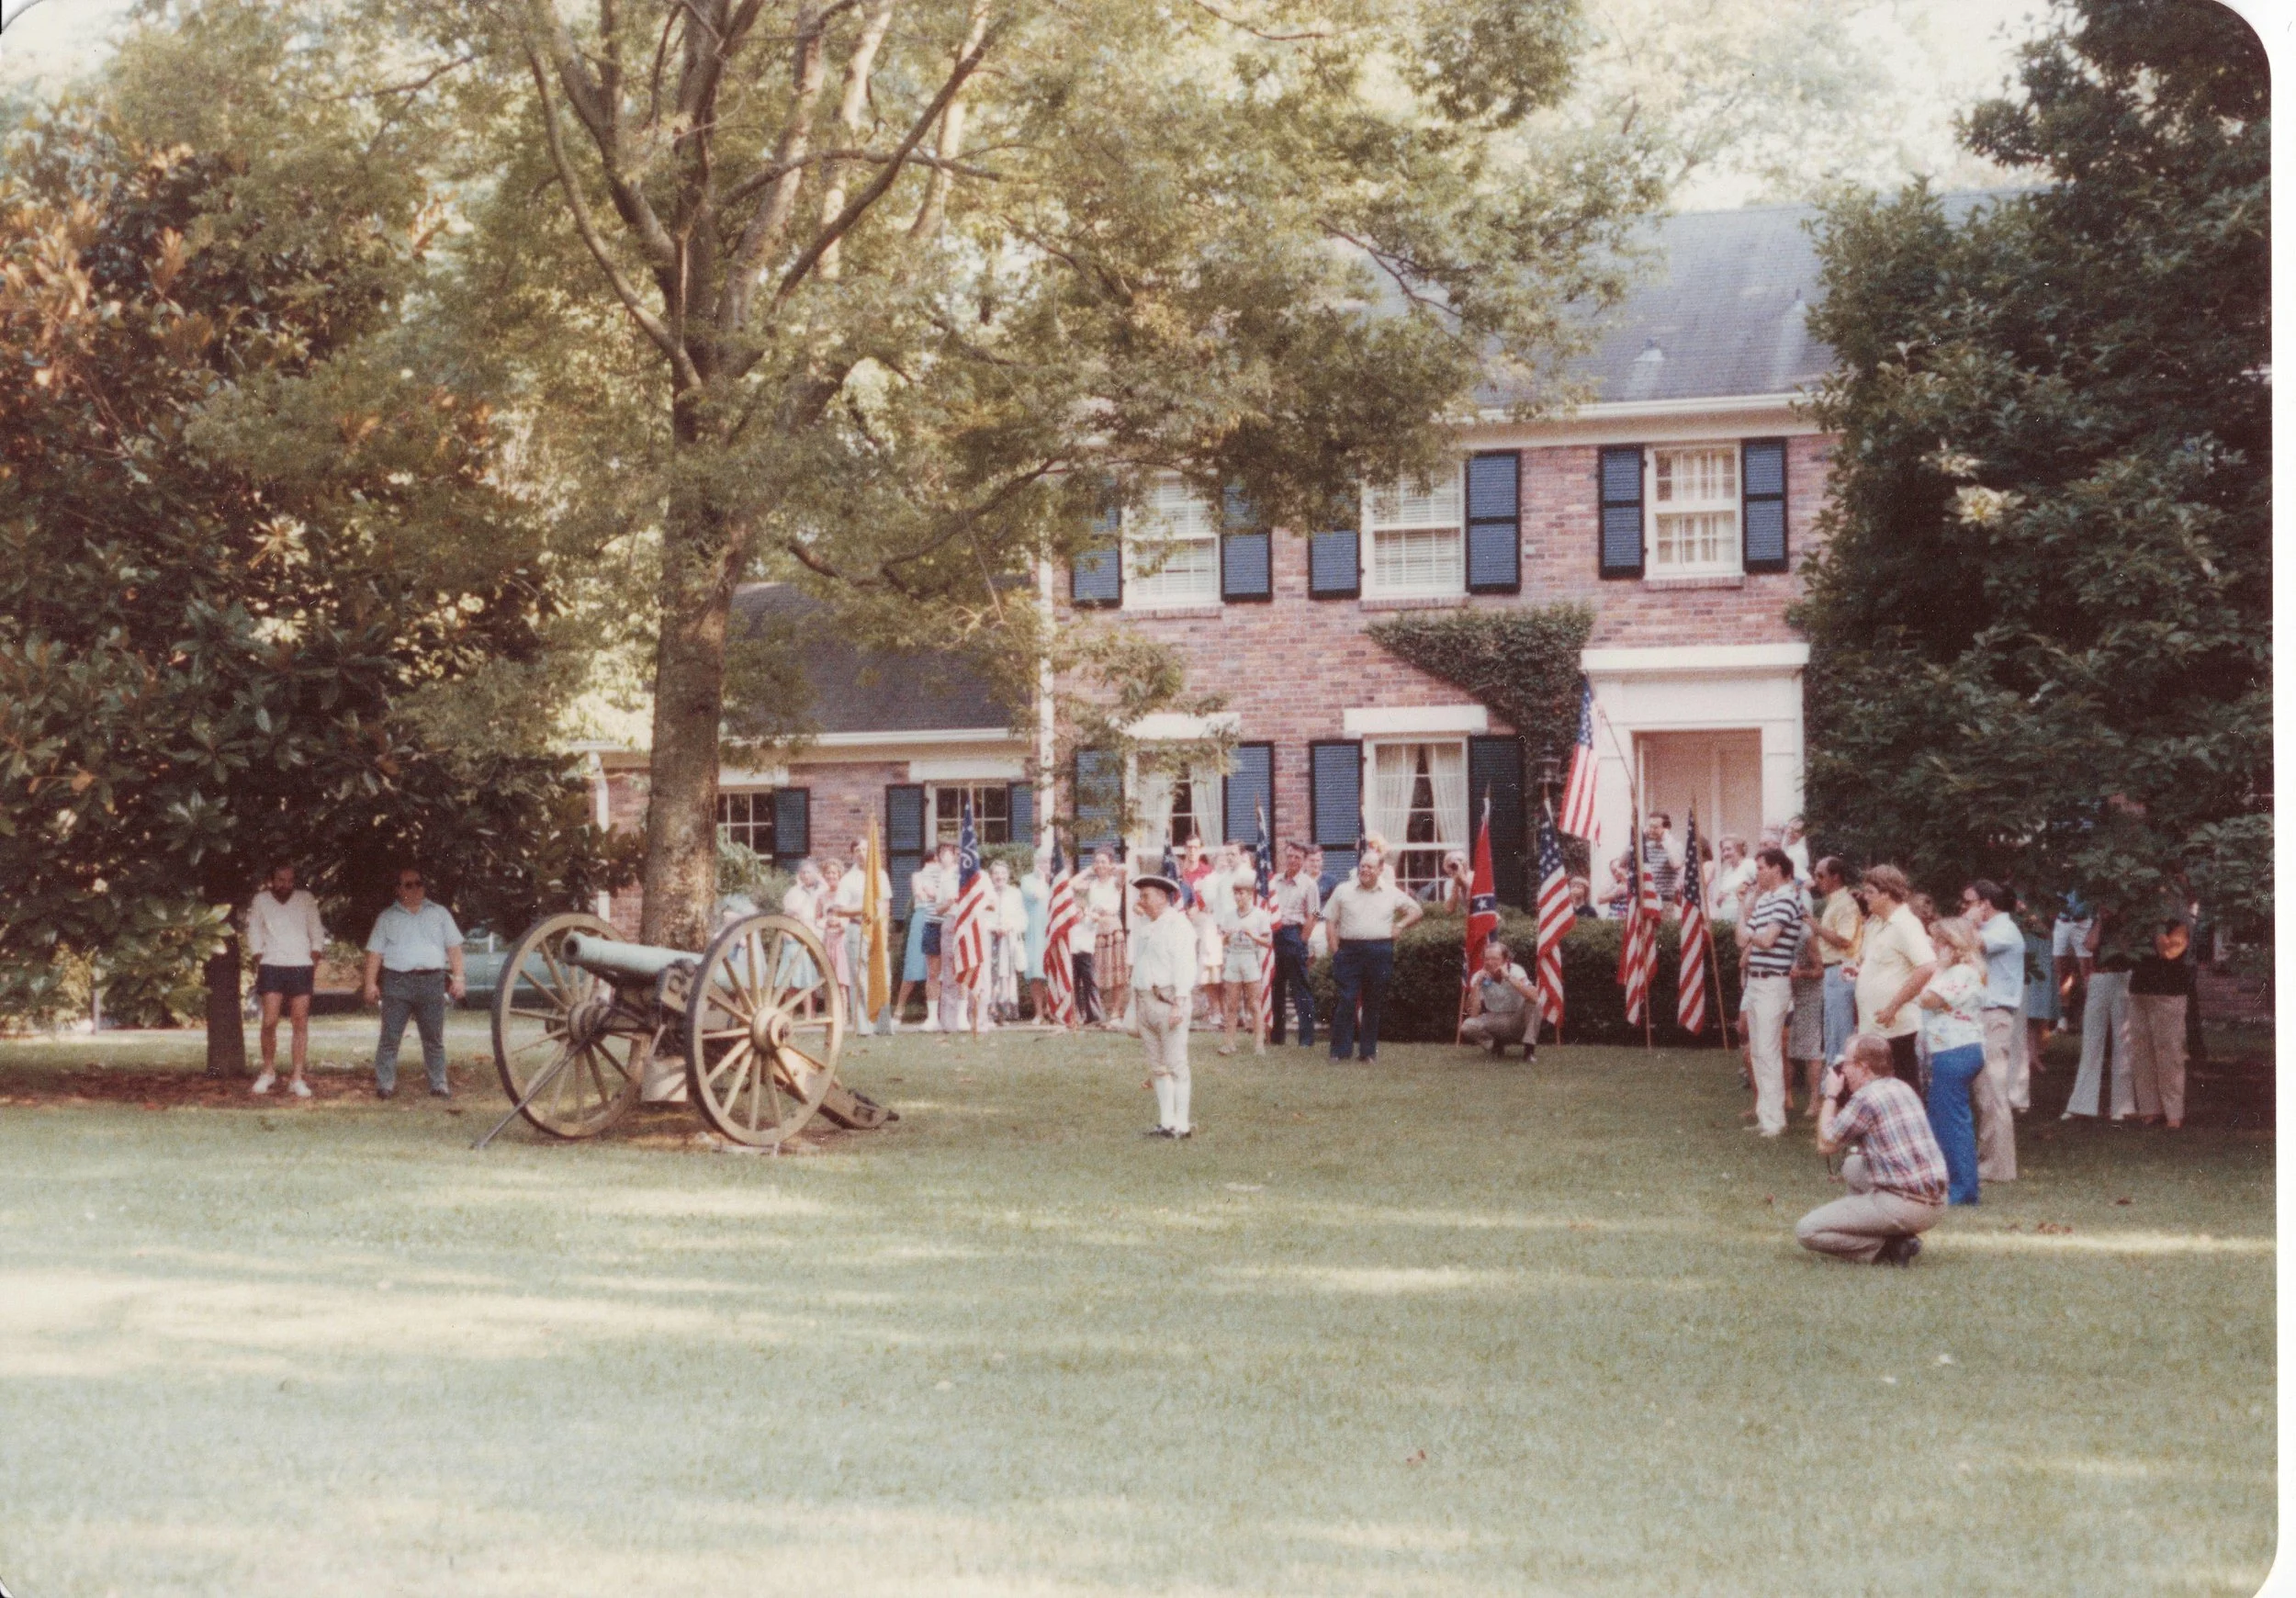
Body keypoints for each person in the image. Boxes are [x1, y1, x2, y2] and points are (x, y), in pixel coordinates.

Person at [1795, 1034, 1949, 1266]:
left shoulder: (1866, 1099)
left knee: (1806, 1230)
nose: (1842, 1069)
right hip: (1937, 1201)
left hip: (1905, 1204)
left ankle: (1887, 1246)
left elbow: (1825, 1144)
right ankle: (1881, 1230)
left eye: (1846, 1063)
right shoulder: (1901, 1087)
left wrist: (1831, 1095)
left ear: (1863, 1067)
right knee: (1852, 1165)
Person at [361, 866, 466, 1099]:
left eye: (419, 883)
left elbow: (454, 948)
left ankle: (439, 1085)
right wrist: (370, 984)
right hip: (397, 982)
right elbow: (375, 954)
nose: (416, 888)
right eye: (409, 884)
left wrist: (459, 978)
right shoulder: (386, 918)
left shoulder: (440, 914)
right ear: (398, 889)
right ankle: (385, 1085)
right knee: (390, 1037)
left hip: (432, 982)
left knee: (434, 1039)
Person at [1322, 847, 1423, 1063]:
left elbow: (1417, 910)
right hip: (1349, 951)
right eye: (1362, 866)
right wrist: (1335, 950)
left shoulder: (1391, 892)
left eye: (1369, 866)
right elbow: (1330, 920)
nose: (1365, 870)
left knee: (1372, 1002)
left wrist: (1400, 925)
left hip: (1379, 951)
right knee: (1347, 999)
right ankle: (1339, 1051)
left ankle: (1367, 1052)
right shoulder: (1343, 890)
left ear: (1380, 869)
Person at [1918, 917, 1991, 1205]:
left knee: (1953, 1121)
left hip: (1956, 1050)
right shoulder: (1962, 971)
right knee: (1942, 1117)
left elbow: (1928, 999)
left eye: (1937, 941)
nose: (1933, 946)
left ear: (1951, 944)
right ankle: (1950, 1182)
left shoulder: (1960, 972)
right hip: (1950, 1049)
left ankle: (1963, 1190)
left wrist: (1938, 968)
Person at [245, 861, 328, 1098]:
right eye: (281, 880)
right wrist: (260, 956)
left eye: (290, 880)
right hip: (271, 966)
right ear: (271, 879)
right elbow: (254, 931)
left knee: (299, 1022)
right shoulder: (261, 900)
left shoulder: (305, 898)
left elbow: (316, 932)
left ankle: (297, 1078)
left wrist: (312, 958)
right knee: (269, 1021)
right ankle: (268, 1071)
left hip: (301, 966)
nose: (286, 885)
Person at [1734, 847, 1801, 1136]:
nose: (1757, 873)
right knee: (1759, 1051)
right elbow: (1742, 939)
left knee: (1769, 1050)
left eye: (1761, 867)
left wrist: (1751, 935)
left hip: (1774, 982)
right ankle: (1766, 1116)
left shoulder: (1787, 899)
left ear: (1777, 868)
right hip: (1756, 982)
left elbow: (1768, 940)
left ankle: (1775, 1120)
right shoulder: (1764, 902)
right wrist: (1742, 907)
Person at [1849, 865, 1937, 1086]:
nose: (1864, 897)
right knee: (1877, 1085)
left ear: (1886, 894)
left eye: (1870, 892)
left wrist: (1893, 1006)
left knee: (1901, 1085)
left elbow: (1927, 967)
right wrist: (1858, 972)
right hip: (1873, 1024)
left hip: (1894, 1026)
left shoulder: (1906, 925)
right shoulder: (1876, 923)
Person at [1129, 872, 1199, 1138]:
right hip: (1145, 1000)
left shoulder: (1178, 926)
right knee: (1157, 1065)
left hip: (1168, 1001)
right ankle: (1166, 1122)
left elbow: (1186, 966)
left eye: (1145, 896)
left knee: (1176, 1063)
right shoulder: (1148, 926)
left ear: (1161, 897)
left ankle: (1182, 1125)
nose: (1141, 901)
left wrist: (1179, 1003)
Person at [1964, 881, 2023, 1179]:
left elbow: (1966, 942)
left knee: (1993, 1091)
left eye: (1970, 902)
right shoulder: (1990, 930)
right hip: (1981, 1016)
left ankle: (1997, 1167)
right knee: (1984, 1093)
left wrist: (1968, 922)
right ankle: (1987, 1161)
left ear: (1985, 904)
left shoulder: (2004, 931)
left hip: (1994, 1016)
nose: (1965, 909)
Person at [2064, 906, 2136, 1120]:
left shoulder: (2130, 922)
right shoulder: (2099, 921)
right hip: (2100, 978)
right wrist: (2101, 920)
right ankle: (2081, 1104)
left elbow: (2126, 949)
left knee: (2123, 1043)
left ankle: (2122, 1107)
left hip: (2123, 978)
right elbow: (2090, 944)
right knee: (2091, 1041)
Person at [2127, 902, 2194, 1129]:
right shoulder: (2138, 920)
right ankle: (2149, 1110)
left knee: (2169, 1053)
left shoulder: (2180, 925)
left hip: (2168, 992)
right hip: (2140, 990)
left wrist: (2156, 929)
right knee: (2141, 1052)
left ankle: (2173, 1113)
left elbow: (2168, 952)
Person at [1808, 857, 1862, 1069]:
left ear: (1835, 877)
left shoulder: (1846, 904)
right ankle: (1833, 1081)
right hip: (1831, 971)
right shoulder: (1834, 903)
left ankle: (1842, 1083)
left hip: (1841, 969)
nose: (1816, 880)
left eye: (1821, 875)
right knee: (1831, 1028)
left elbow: (1844, 939)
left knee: (1840, 1030)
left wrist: (1816, 927)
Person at [1268, 842, 1321, 1048]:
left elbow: (1314, 914)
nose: (1292, 860)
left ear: (1304, 860)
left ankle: (1306, 1038)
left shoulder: (1309, 884)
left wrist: (1302, 939)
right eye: (1290, 856)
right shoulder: (1276, 881)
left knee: (1300, 989)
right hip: (1275, 935)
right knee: (1276, 986)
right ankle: (1277, 1036)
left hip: (1294, 934)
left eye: (1297, 857)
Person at [1217, 878, 1272, 1056]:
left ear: (1250, 895)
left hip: (1250, 959)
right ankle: (1229, 1043)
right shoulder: (1229, 915)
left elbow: (1268, 941)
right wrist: (1226, 937)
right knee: (1231, 1005)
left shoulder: (1259, 915)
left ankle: (1259, 1044)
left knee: (1254, 1004)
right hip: (1234, 959)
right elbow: (1223, 941)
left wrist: (1252, 935)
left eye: (1241, 893)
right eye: (1235, 893)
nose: (1238, 897)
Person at [1459, 940, 1536, 1061]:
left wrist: (1508, 978)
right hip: (1495, 1019)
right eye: (1487, 959)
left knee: (1537, 1004)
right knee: (1467, 1026)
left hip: (1518, 1019)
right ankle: (1495, 1047)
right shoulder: (1479, 976)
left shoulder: (1516, 971)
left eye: (1495, 959)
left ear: (1505, 960)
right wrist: (1477, 986)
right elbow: (1473, 1013)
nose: (1490, 962)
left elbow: (1534, 997)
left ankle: (1529, 1051)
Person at [2020, 911, 2057, 1098]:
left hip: (2041, 950)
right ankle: (2029, 1056)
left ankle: (2033, 1055)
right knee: (2028, 1006)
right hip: (2028, 948)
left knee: (2036, 1009)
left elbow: (2047, 931)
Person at [1019, 850, 1053, 1025]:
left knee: (1054, 972)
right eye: (1041, 862)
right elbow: (1036, 895)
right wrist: (1041, 879)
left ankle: (1053, 1010)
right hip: (1035, 930)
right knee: (1036, 974)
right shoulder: (1027, 880)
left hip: (1053, 929)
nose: (1044, 865)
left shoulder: (1056, 880)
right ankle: (1039, 1013)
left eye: (1047, 862)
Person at [1710, 837, 1755, 923]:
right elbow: (1720, 901)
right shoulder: (1727, 872)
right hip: (1727, 921)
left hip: (1746, 919)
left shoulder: (1749, 864)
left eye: (1728, 849)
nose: (1725, 853)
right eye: (1723, 850)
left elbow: (1762, 885)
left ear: (1739, 849)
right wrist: (1719, 900)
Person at [1640, 812, 1682, 907]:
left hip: (1665, 901)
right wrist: (1639, 838)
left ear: (1666, 828)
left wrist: (1666, 837)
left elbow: (1676, 864)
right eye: (1649, 826)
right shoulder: (1646, 847)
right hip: (1647, 899)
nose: (1651, 830)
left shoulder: (1675, 846)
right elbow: (1622, 862)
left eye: (1655, 827)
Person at [1782, 815, 1812, 883]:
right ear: (1786, 828)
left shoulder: (1800, 852)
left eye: (1797, 831)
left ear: (1802, 835)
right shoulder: (1781, 843)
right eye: (1791, 828)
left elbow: (1802, 877)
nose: (1792, 833)